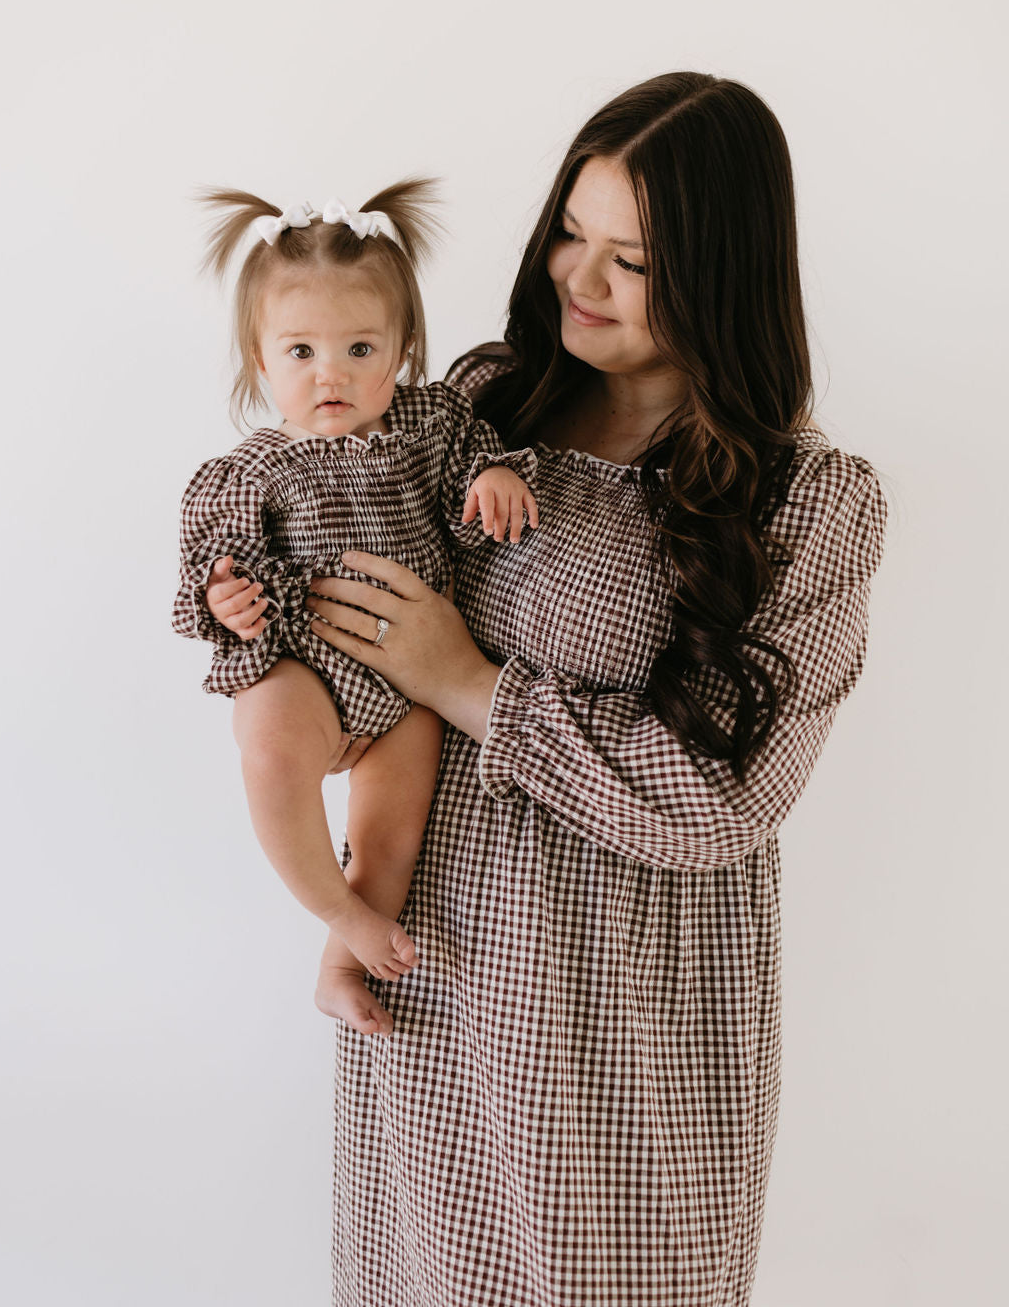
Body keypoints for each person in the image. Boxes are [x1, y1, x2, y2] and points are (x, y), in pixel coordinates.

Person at [209, 74, 888, 1305]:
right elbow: (346, 651)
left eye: (630, 257)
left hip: (619, 1015)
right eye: (570, 229)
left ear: (723, 273)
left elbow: (719, 801)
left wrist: (469, 681)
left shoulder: (809, 501)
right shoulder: (473, 405)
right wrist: (347, 901)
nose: (578, 275)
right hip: (436, 966)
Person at [172, 181, 538, 1037]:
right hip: (304, 667)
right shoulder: (248, 472)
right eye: (299, 351)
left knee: (393, 827)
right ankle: (336, 911)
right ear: (261, 361)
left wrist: (492, 477)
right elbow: (205, 574)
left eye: (359, 347)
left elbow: (475, 466)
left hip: (408, 687)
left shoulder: (433, 424)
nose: (329, 373)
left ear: (403, 350)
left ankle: (344, 959)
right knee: (267, 748)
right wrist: (224, 600)